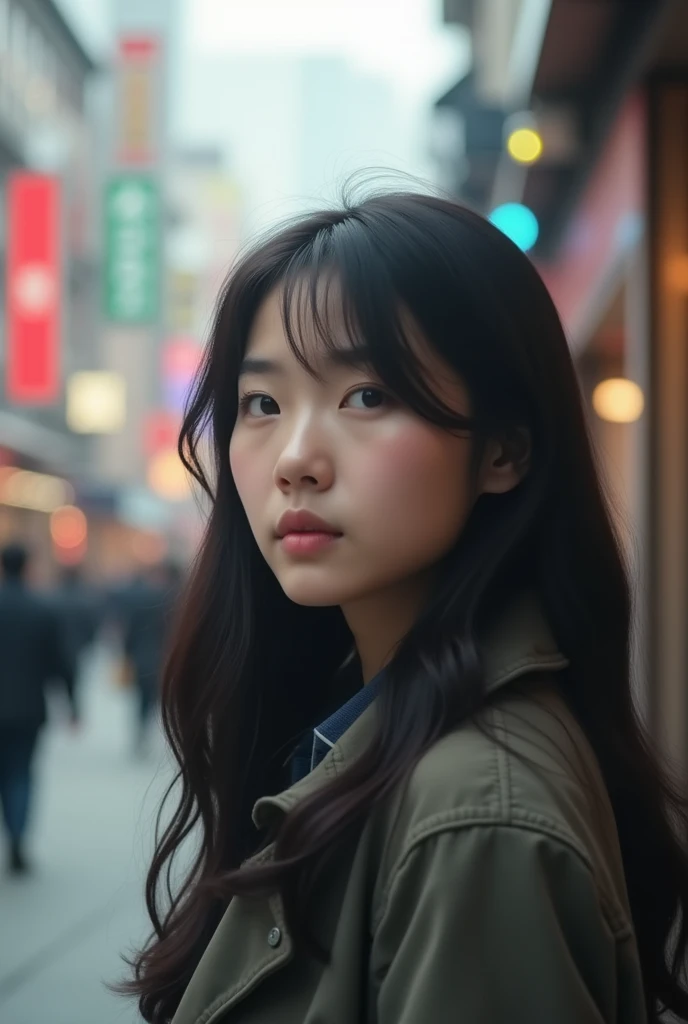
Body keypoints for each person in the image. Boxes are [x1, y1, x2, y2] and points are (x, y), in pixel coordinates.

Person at [117, 191, 688, 1023]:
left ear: (504, 448)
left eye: (367, 396)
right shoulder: (358, 722)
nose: (296, 461)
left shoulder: (477, 821)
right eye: (262, 405)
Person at [0, 543, 74, 874]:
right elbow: (60, 662)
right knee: (20, 774)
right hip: (28, 709)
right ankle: (17, 838)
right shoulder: (41, 610)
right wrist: (72, 703)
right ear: (26, 566)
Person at [119, 561, 181, 756]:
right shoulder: (178, 600)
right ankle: (166, 735)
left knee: (142, 699)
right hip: (167, 659)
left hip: (142, 657)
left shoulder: (142, 599)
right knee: (164, 699)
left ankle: (141, 732)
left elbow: (130, 631)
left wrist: (126, 653)